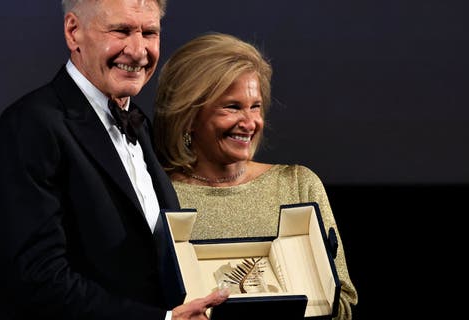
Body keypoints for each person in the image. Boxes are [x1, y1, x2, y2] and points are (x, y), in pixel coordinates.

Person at [0, 1, 229, 319]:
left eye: (149, 32)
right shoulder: (30, 126)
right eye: (121, 30)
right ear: (74, 32)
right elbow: (39, 278)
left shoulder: (139, 123)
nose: (139, 50)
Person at [153, 32, 358, 319]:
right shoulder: (156, 194)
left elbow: (343, 302)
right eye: (232, 106)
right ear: (189, 115)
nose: (250, 123)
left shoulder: (297, 185)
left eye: (256, 106)